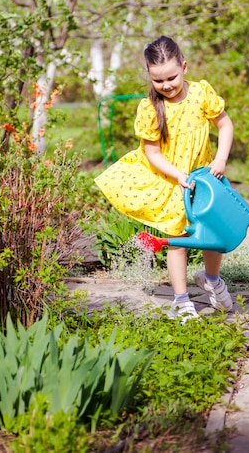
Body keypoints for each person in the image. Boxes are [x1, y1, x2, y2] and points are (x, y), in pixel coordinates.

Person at [95, 36, 234, 320]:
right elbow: (152, 154)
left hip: (204, 178)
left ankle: (211, 279)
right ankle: (182, 300)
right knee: (179, 240)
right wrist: (178, 175)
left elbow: (225, 124)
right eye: (159, 81)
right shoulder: (150, 108)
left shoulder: (201, 93)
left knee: (214, 234)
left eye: (172, 77)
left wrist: (220, 159)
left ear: (184, 67)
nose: (167, 85)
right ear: (150, 76)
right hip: (173, 180)